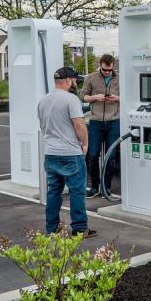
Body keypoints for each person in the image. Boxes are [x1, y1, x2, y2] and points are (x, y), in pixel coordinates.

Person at [37, 66, 94, 237]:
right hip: (70, 153)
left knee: (53, 192)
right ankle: (79, 229)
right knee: (77, 191)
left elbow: (43, 126)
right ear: (68, 81)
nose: (76, 83)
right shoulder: (71, 99)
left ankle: (52, 228)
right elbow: (79, 124)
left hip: (50, 153)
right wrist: (84, 144)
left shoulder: (43, 100)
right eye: (75, 80)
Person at [82, 54, 120, 197]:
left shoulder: (120, 78)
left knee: (111, 156)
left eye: (110, 70)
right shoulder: (91, 78)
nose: (107, 73)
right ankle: (94, 186)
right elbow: (83, 96)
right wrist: (95, 98)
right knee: (93, 155)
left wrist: (117, 98)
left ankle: (107, 187)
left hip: (114, 121)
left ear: (113, 67)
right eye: (105, 70)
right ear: (100, 65)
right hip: (96, 121)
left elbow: (128, 97)